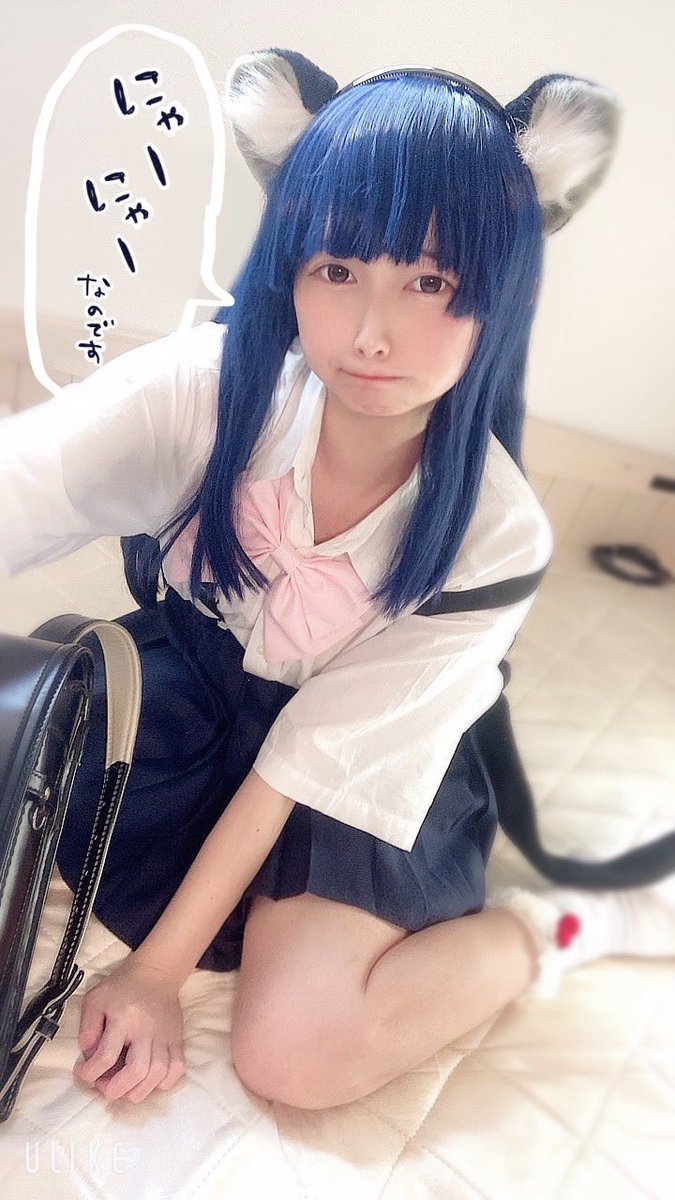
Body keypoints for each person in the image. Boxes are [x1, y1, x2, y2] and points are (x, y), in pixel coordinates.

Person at [1, 48, 673, 1113]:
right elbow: (18, 489)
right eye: (337, 269)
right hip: (199, 689)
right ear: (293, 266)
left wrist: (156, 974)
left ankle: (559, 931)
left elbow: (307, 762)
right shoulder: (203, 390)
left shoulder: (497, 538)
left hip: (360, 760)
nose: (371, 333)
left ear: (500, 292)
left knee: (298, 1059)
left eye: (431, 282)